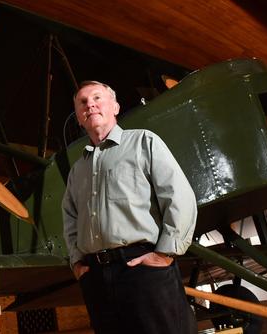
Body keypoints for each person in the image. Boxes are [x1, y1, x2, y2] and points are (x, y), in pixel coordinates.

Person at [62, 80, 198, 333]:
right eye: (82, 102)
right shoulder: (77, 170)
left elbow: (179, 196)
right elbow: (70, 217)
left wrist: (165, 253)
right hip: (96, 277)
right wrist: (77, 263)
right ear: (80, 118)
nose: (89, 104)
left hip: (143, 268)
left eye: (96, 98)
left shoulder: (144, 142)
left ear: (115, 107)